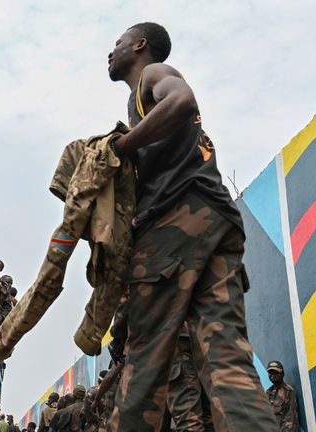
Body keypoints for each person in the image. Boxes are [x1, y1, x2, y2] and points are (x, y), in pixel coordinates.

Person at [104, 22, 278, 431]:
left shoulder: (153, 76)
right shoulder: (143, 106)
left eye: (118, 43)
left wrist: (124, 146)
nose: (111, 52)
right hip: (217, 220)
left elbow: (182, 101)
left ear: (140, 46)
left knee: (145, 359)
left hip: (176, 225)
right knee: (226, 356)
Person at [266, 360, 299, 431]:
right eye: (270, 372)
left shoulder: (288, 391)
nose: (273, 375)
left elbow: (290, 421)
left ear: (282, 373)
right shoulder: (268, 392)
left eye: (275, 372)